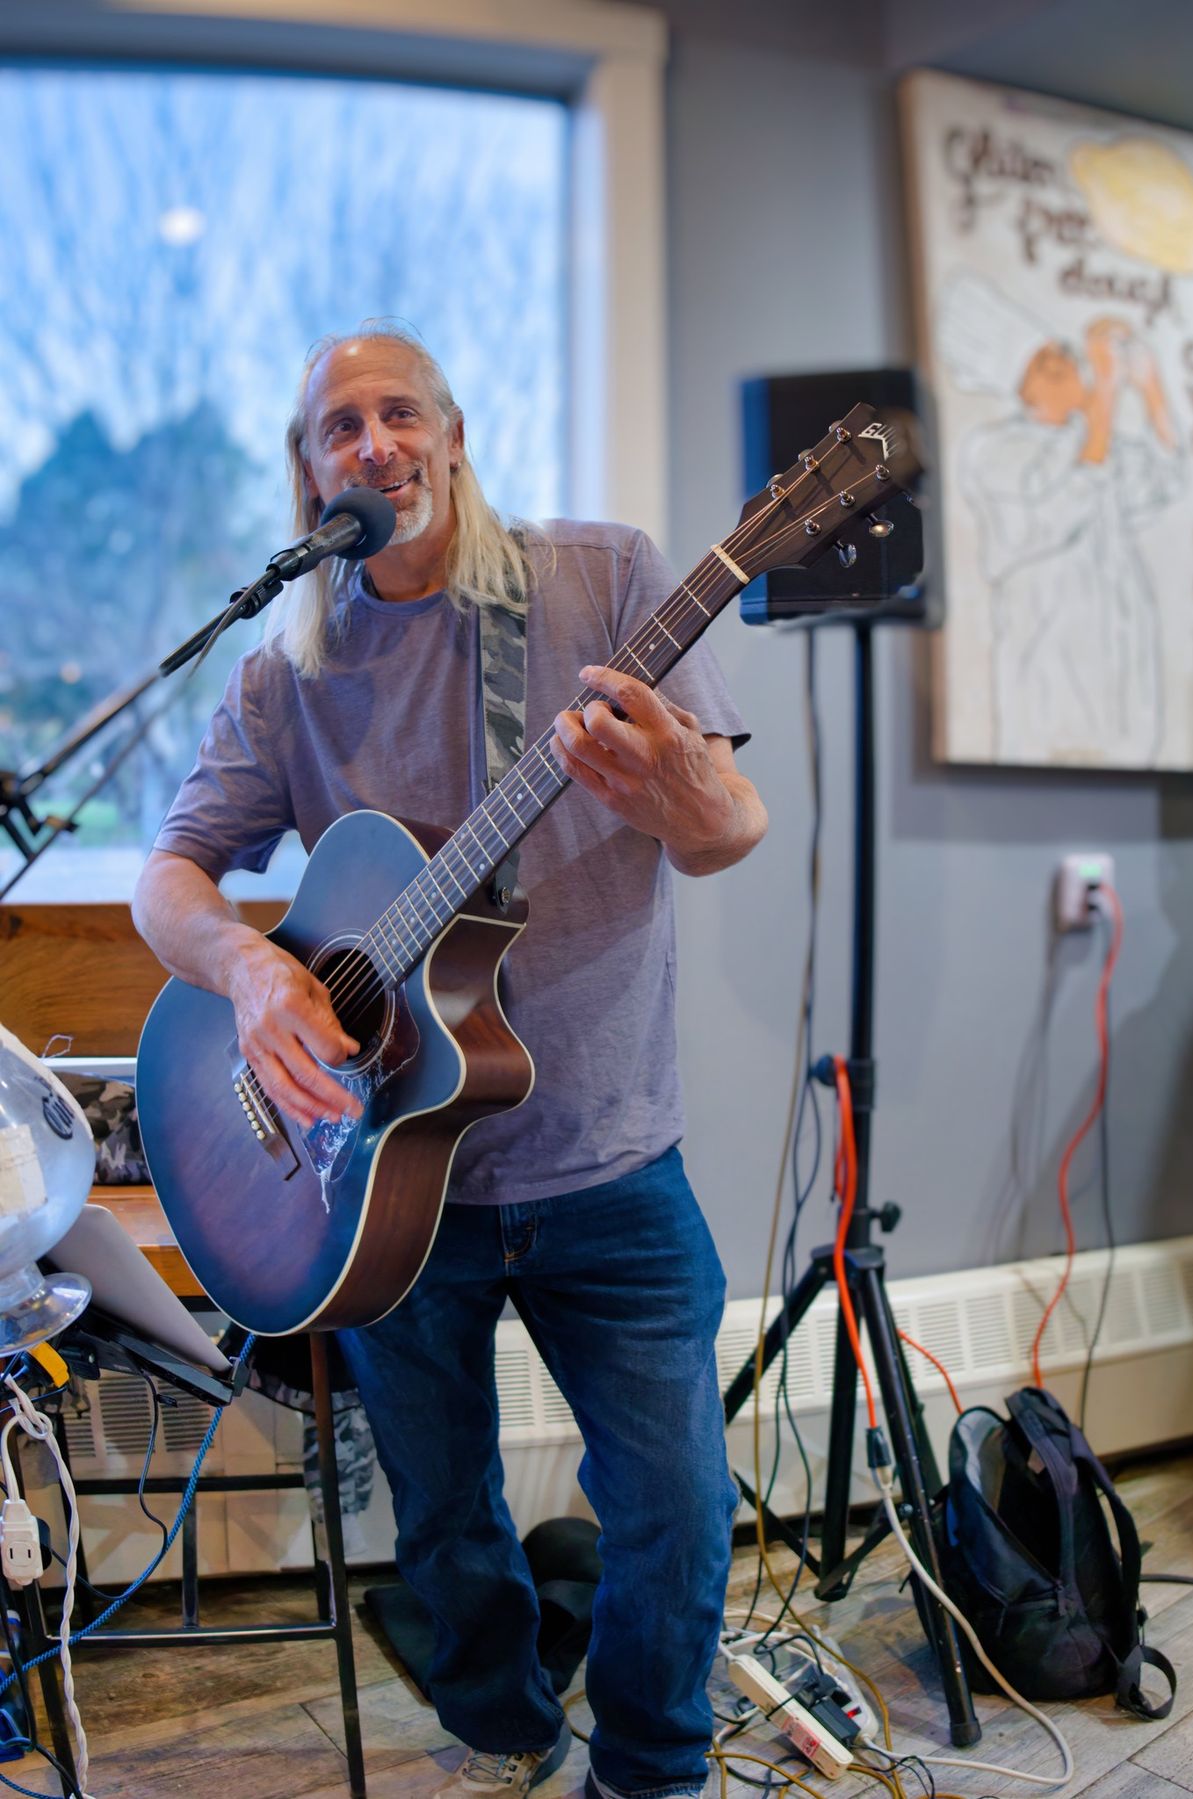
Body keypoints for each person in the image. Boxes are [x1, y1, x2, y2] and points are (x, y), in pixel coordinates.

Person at [132, 325, 767, 1799]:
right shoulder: (288, 670)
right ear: (309, 472)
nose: (374, 443)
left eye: (399, 410)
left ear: (456, 433)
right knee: (442, 1516)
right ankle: (503, 1726)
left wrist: (681, 791)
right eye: (338, 425)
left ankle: (656, 1766)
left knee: (676, 1497)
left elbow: (731, 827)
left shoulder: (603, 580)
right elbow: (172, 873)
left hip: (608, 1159)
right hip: (373, 1186)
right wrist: (250, 968)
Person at [936, 271, 1182, 766]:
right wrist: (1106, 401)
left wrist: (1151, 390)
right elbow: (1066, 503)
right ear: (1024, 391)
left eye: (1063, 354)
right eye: (1050, 365)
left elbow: (1165, 480)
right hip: (1049, 679)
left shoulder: (1088, 439)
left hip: (1122, 681)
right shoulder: (994, 451)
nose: (1072, 366)